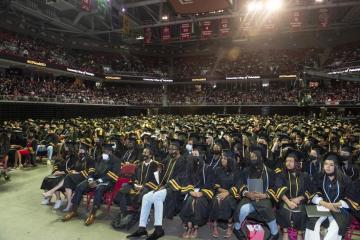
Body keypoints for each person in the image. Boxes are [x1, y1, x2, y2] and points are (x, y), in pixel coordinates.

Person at [127, 139, 187, 240]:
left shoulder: (183, 161)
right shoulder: (169, 159)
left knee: (157, 196)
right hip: (163, 187)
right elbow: (161, 165)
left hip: (175, 189)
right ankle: (142, 228)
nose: (171, 151)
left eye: (173, 149)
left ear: (178, 150)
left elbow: (181, 178)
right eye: (170, 149)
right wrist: (159, 167)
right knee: (146, 197)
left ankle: (158, 229)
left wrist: (164, 186)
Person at [62, 143, 121, 225]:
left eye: (106, 151)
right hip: (94, 179)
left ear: (111, 152)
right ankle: (74, 211)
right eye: (104, 150)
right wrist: (90, 178)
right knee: (79, 187)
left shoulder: (116, 160)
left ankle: (92, 214)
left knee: (98, 189)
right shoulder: (100, 158)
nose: (104, 152)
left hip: (107, 182)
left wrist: (97, 182)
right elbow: (92, 169)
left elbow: (112, 175)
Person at [233, 145, 279, 240]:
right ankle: (236, 228)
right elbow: (240, 183)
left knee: (266, 208)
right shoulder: (246, 170)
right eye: (251, 157)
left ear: (261, 158)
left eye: (255, 157)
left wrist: (264, 195)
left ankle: (275, 233)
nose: (252, 159)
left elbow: (275, 187)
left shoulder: (269, 172)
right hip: (249, 197)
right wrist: (246, 193)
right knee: (242, 209)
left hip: (264, 198)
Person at [304, 152, 352, 240]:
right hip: (322, 206)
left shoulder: (345, 180)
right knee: (312, 223)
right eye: (326, 164)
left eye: (331, 165)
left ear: (336, 166)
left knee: (335, 227)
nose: (328, 167)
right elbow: (312, 194)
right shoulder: (319, 177)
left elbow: (350, 198)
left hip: (339, 209)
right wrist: (325, 204)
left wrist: (336, 204)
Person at [112, 146, 159, 230]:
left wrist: (143, 186)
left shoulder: (155, 165)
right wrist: (135, 183)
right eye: (143, 152)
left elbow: (156, 181)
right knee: (124, 188)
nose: (143, 154)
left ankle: (143, 215)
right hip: (137, 187)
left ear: (151, 155)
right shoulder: (139, 165)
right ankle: (124, 212)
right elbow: (133, 177)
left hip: (148, 187)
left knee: (144, 193)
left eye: (146, 153)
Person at [179, 144, 215, 239]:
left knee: (198, 202)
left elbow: (210, 184)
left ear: (201, 156)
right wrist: (190, 191)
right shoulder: (189, 167)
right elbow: (185, 181)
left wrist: (202, 192)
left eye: (196, 154)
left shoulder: (207, 168)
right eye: (192, 154)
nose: (193, 157)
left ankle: (195, 226)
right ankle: (189, 225)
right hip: (191, 191)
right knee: (190, 201)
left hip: (203, 192)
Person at [275, 149, 312, 240]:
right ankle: (285, 232)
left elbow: (311, 189)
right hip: (285, 200)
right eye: (287, 161)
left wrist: (299, 198)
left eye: (291, 161)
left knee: (302, 212)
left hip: (300, 201)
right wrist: (288, 202)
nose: (288, 163)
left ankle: (299, 233)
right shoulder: (282, 175)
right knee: (282, 210)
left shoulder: (305, 175)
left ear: (297, 162)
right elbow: (278, 188)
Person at [209, 150, 240, 239]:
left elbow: (238, 186)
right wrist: (221, 190)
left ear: (230, 160)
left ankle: (229, 226)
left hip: (232, 193)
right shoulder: (218, 170)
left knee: (229, 201)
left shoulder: (236, 171)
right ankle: (215, 224)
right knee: (216, 199)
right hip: (220, 191)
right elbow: (214, 184)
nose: (222, 160)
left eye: (225, 158)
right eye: (222, 158)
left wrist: (228, 192)